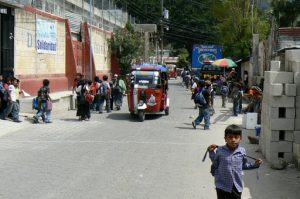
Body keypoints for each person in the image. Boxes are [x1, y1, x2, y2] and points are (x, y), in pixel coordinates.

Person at [208, 124, 262, 199]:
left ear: (240, 139)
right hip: (221, 185)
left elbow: (243, 165)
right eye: (230, 137)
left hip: (236, 185)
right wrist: (211, 152)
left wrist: (255, 165)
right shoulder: (220, 150)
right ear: (225, 139)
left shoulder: (242, 151)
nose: (233, 140)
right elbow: (215, 162)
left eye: (236, 137)